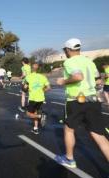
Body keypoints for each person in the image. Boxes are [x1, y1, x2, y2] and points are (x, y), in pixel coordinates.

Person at [55, 38, 109, 168]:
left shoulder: (69, 62)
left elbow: (78, 76)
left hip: (76, 101)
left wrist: (63, 81)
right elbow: (98, 81)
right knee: (99, 135)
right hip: (93, 100)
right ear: (79, 49)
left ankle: (69, 159)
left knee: (69, 129)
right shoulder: (89, 62)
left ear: (67, 50)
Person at [24, 63, 50, 134]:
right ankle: (35, 128)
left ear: (32, 69)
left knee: (28, 114)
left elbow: (25, 88)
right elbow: (48, 88)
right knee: (35, 112)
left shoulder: (28, 77)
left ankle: (41, 116)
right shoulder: (43, 77)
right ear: (38, 69)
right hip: (41, 98)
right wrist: (42, 90)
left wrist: (27, 89)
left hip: (33, 98)